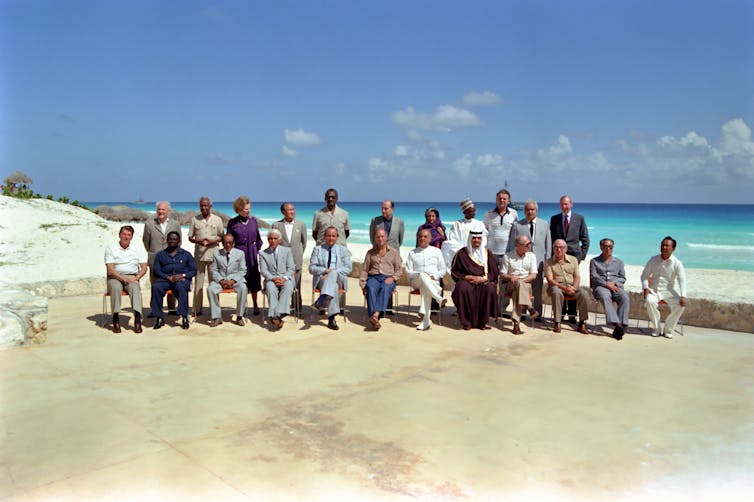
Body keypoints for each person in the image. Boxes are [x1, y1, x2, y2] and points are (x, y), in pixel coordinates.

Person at [507, 199, 552, 320]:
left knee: (537, 290)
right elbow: (512, 244)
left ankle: (537, 314)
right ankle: (521, 313)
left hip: (539, 263)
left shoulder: (545, 224)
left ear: (536, 211)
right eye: (527, 209)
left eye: (532, 209)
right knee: (521, 287)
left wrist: (547, 263)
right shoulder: (517, 225)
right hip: (521, 262)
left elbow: (548, 245)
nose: (529, 212)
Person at [550, 195, 590, 323]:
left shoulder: (579, 219)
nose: (564, 207)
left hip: (574, 257)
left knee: (572, 283)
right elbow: (551, 238)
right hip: (558, 256)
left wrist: (581, 256)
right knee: (561, 282)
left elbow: (585, 240)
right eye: (562, 204)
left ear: (571, 204)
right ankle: (560, 314)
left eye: (566, 204)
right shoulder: (555, 219)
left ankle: (572, 315)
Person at [450, 230, 499, 330]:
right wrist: (466, 277)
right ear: (470, 239)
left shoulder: (488, 253)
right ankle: (466, 322)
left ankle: (482, 322)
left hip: (483, 281)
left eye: (479, 238)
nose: (476, 240)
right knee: (461, 287)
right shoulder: (461, 253)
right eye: (474, 238)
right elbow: (454, 271)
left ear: (482, 239)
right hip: (468, 281)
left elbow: (494, 272)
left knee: (489, 288)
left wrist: (484, 279)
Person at [640, 236, 687, 338]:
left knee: (681, 305)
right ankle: (656, 327)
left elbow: (682, 280)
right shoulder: (653, 259)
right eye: (662, 245)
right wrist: (645, 287)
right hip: (653, 290)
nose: (664, 247)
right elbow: (644, 275)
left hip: (668, 291)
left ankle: (668, 329)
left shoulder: (677, 263)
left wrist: (683, 295)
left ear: (673, 249)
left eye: (667, 245)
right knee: (649, 301)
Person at [104, 225, 148, 333]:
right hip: (115, 276)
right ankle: (115, 318)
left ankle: (137, 318)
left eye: (129, 235)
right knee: (115, 287)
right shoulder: (111, 247)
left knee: (135, 288)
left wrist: (136, 277)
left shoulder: (137, 248)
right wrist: (123, 279)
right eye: (124, 234)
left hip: (132, 276)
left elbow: (144, 268)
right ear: (119, 235)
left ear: (132, 237)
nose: (126, 237)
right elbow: (110, 269)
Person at [151, 231, 196, 330]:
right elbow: (156, 270)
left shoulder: (186, 254)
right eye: (170, 239)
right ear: (167, 240)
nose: (172, 241)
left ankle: (184, 317)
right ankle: (159, 317)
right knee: (156, 287)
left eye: (175, 239)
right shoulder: (160, 255)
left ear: (179, 241)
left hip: (181, 279)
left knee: (181, 287)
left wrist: (182, 275)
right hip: (165, 279)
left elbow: (193, 271)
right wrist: (167, 277)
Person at [310, 226, 352, 330]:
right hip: (322, 279)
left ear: (337, 237)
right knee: (333, 287)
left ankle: (321, 299)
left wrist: (333, 272)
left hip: (339, 278)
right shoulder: (317, 249)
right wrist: (324, 271)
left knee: (333, 274)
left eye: (333, 236)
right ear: (324, 236)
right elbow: (311, 268)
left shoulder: (343, 250)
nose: (331, 238)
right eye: (328, 235)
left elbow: (348, 268)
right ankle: (331, 318)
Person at [143, 201, 181, 315]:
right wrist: (153, 253)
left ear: (168, 211)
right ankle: (155, 309)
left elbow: (179, 241)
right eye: (159, 209)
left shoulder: (175, 224)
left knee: (172, 283)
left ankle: (171, 307)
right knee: (155, 285)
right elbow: (146, 241)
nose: (161, 211)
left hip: (171, 259)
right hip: (155, 260)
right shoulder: (149, 224)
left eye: (163, 209)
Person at [187, 196, 224, 317]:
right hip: (199, 255)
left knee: (214, 282)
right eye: (202, 205)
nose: (204, 207)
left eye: (206, 205)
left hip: (214, 254)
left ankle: (215, 309)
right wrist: (199, 241)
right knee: (198, 282)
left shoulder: (217, 220)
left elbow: (221, 237)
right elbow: (190, 237)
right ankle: (197, 309)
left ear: (210, 206)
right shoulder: (194, 220)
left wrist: (211, 242)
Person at [360, 228, 403, 330]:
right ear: (375, 238)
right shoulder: (370, 253)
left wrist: (393, 278)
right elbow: (365, 270)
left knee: (385, 287)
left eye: (382, 236)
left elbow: (399, 270)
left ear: (386, 237)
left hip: (388, 277)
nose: (380, 238)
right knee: (370, 287)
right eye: (378, 236)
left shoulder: (394, 252)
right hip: (373, 277)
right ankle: (375, 318)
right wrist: (362, 284)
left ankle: (375, 315)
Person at [227, 195, 263, 316]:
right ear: (239, 209)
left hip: (252, 253)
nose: (249, 211)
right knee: (241, 279)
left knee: (253, 278)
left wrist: (255, 249)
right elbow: (229, 240)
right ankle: (242, 306)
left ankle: (255, 304)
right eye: (246, 209)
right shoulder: (232, 223)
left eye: (249, 208)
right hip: (239, 253)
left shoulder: (253, 221)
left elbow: (259, 239)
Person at [545, 239, 590, 334]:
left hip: (571, 285)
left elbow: (577, 276)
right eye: (556, 247)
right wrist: (563, 288)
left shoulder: (573, 260)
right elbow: (550, 280)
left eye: (561, 247)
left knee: (584, 294)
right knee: (556, 292)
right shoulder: (548, 262)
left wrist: (574, 287)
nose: (558, 250)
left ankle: (582, 323)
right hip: (556, 286)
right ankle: (557, 322)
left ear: (566, 249)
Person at [484, 188, 519, 314]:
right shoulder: (488, 214)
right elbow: (484, 233)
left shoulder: (514, 214)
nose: (502, 200)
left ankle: (501, 309)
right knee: (492, 281)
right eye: (499, 198)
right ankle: (490, 307)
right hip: (491, 253)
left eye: (504, 198)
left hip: (507, 254)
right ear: (496, 200)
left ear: (508, 201)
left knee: (504, 282)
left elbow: (515, 233)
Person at [405, 229, 448, 331]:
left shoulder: (437, 251)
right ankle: (438, 297)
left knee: (426, 286)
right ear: (417, 238)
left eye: (425, 236)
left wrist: (434, 276)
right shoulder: (413, 253)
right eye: (420, 236)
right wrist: (419, 274)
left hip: (432, 281)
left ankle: (426, 321)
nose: (422, 238)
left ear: (430, 238)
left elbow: (443, 269)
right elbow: (408, 271)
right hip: (417, 281)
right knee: (424, 276)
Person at [590, 238, 630, 340]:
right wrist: (606, 284)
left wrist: (615, 283)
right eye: (606, 246)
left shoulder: (619, 262)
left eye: (610, 247)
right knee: (605, 296)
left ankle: (621, 325)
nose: (608, 249)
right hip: (601, 287)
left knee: (625, 297)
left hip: (616, 287)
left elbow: (623, 277)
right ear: (601, 247)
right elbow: (594, 276)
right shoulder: (594, 261)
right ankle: (617, 323)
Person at [500, 235, 538, 335]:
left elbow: (533, 275)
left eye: (530, 244)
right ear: (517, 245)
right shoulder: (507, 256)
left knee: (518, 290)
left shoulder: (532, 256)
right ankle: (529, 307)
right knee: (517, 284)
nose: (529, 246)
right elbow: (503, 274)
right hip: (511, 284)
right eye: (527, 244)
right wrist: (510, 277)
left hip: (526, 285)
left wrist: (521, 281)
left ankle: (516, 324)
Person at [207, 234, 248, 327]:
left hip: (235, 280)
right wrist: (221, 281)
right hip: (221, 280)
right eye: (225, 242)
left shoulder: (240, 253)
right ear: (222, 243)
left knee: (243, 288)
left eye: (230, 243)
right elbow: (213, 270)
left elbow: (243, 270)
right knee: (210, 289)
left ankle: (239, 316)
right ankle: (217, 317)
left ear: (234, 243)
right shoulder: (216, 253)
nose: (228, 245)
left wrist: (233, 281)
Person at [271, 202, 307, 308]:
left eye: (293, 209)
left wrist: (298, 254)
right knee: (282, 286)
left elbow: (304, 243)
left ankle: (297, 308)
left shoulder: (301, 224)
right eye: (289, 210)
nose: (292, 212)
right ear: (283, 212)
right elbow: (274, 243)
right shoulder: (276, 225)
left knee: (296, 286)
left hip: (296, 260)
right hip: (281, 262)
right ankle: (281, 308)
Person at [260, 229, 295, 329]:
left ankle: (275, 314)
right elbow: (263, 271)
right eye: (270, 238)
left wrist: (284, 278)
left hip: (285, 278)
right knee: (270, 288)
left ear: (279, 240)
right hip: (271, 279)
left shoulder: (287, 250)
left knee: (288, 287)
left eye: (275, 238)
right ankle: (278, 315)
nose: (273, 241)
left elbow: (291, 268)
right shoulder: (263, 253)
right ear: (268, 240)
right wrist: (273, 278)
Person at [441, 198, 487, 267]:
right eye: (471, 211)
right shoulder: (457, 224)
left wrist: (475, 250)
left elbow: (484, 239)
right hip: (462, 255)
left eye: (474, 211)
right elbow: (452, 242)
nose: (474, 213)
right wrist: (464, 252)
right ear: (465, 212)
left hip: (477, 254)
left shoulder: (479, 224)